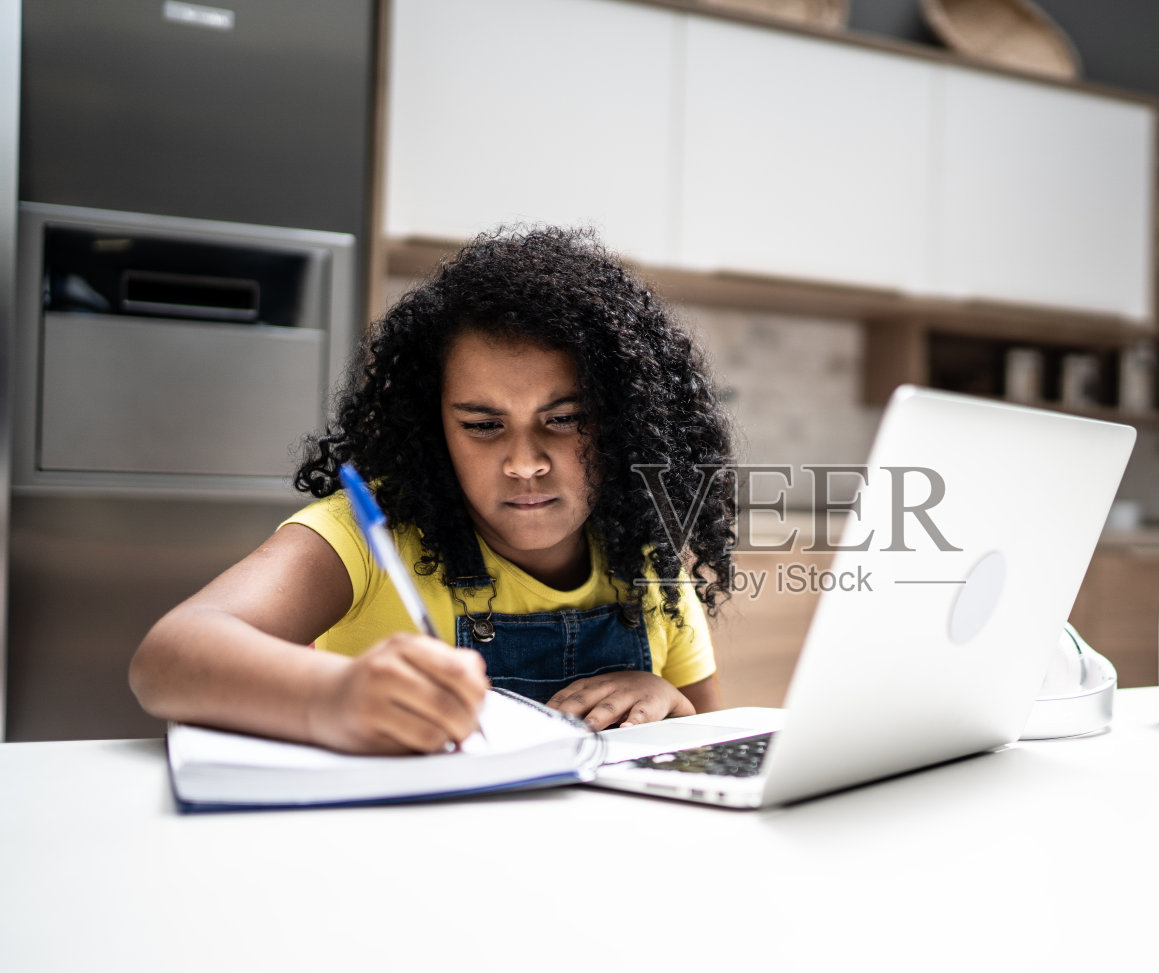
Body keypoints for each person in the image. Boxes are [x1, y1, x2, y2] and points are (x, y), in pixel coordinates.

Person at [130, 227, 738, 753]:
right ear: (433, 428)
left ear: (622, 423)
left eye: (563, 419)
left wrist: (668, 704)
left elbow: (712, 743)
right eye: (482, 426)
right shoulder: (366, 539)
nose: (525, 464)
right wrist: (334, 695)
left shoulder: (648, 557)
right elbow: (166, 659)